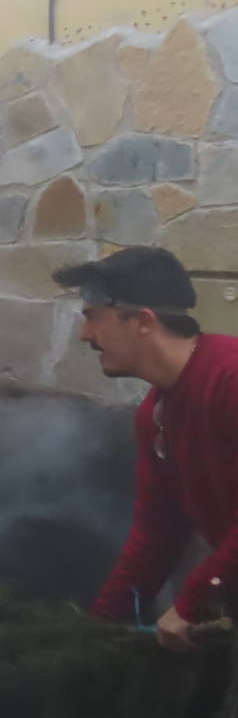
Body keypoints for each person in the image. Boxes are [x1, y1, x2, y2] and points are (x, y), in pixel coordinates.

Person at [52, 246, 238, 653]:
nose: (85, 335)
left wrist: (196, 598)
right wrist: (100, 630)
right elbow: (157, 532)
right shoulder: (154, 415)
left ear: (142, 322)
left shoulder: (231, 378)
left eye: (92, 317)